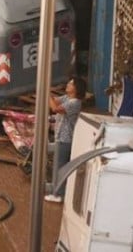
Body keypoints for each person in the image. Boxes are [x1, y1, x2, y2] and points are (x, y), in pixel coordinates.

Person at [45, 75, 86, 203]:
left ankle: (59, 194)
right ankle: (54, 190)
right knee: (57, 165)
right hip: (60, 137)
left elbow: (56, 108)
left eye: (70, 84)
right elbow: (55, 101)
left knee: (60, 167)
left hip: (65, 139)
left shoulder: (75, 103)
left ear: (76, 88)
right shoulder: (68, 98)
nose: (67, 85)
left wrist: (46, 92)